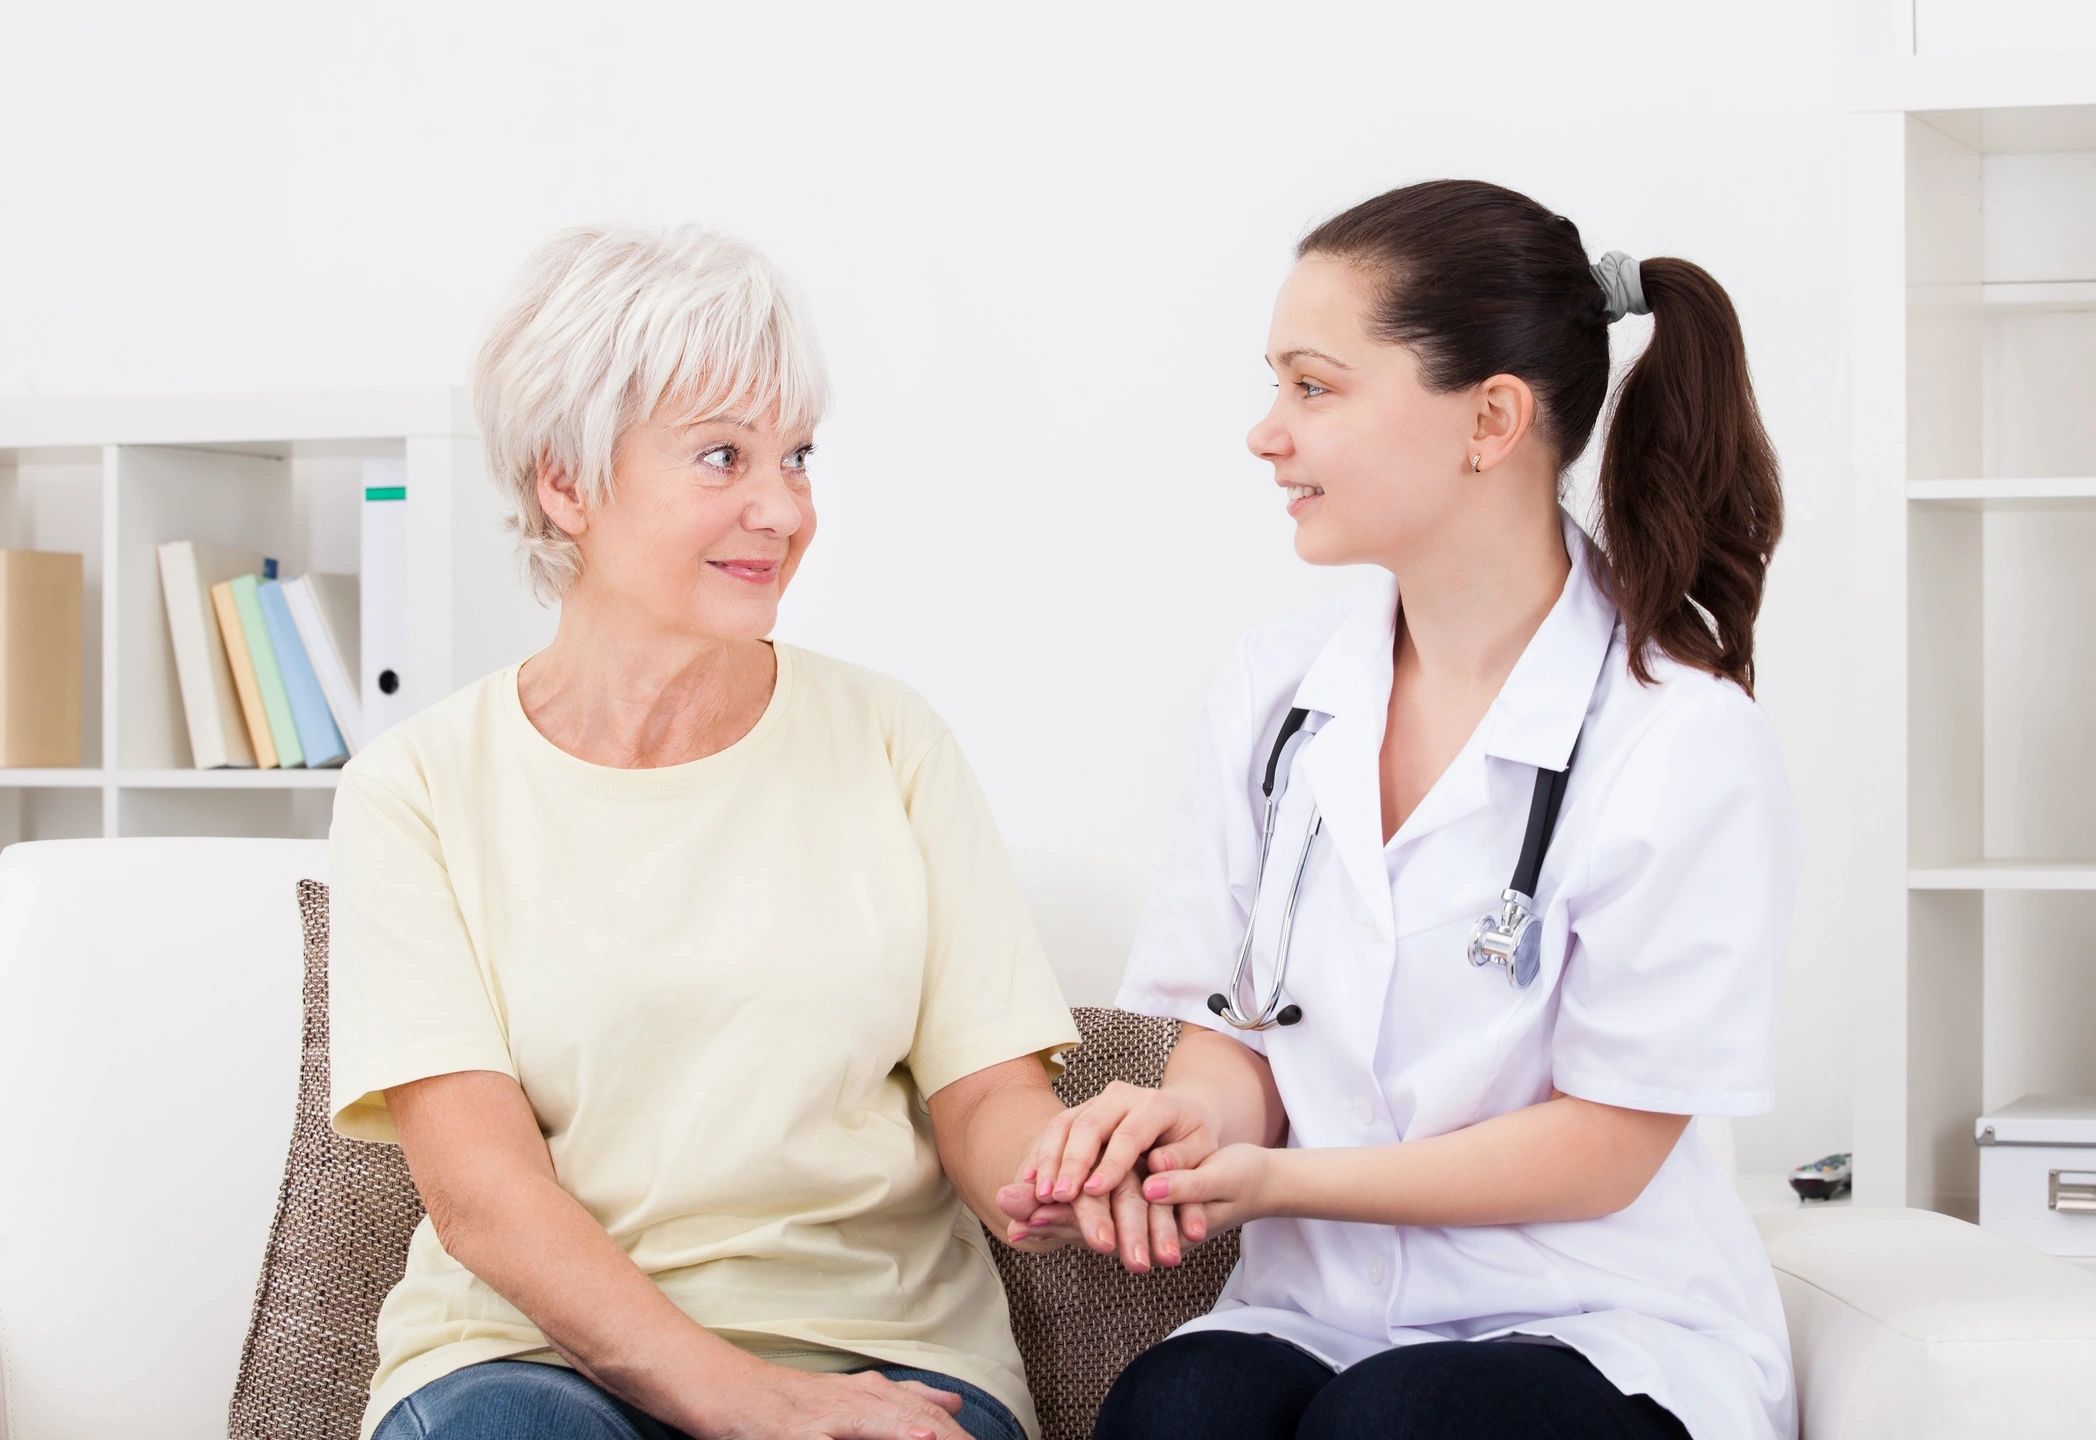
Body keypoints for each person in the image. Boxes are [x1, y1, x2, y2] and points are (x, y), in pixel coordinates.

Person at [327, 221, 1167, 1440]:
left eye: (797, 456)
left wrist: (1058, 1179)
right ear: (564, 482)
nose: (781, 509)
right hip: (527, 1363)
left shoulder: (889, 740)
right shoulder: (418, 789)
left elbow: (986, 1099)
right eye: (721, 458)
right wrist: (747, 1403)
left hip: (875, 1353)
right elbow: (485, 1197)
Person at [1006, 179, 1803, 1440]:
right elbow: (1235, 1035)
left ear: (1489, 419)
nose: (1265, 433)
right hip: (1318, 1309)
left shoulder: (1676, 738)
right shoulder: (1276, 699)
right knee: (1177, 1412)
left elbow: (1606, 1143)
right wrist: (1182, 1124)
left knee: (1396, 1425)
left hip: (1594, 1317)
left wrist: (1278, 1179)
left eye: (1312, 387)